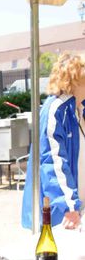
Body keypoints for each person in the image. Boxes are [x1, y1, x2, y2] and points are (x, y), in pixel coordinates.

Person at [22, 52, 85, 230]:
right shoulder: (56, 110)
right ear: (75, 78)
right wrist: (69, 205)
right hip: (63, 216)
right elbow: (53, 161)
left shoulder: (79, 108)